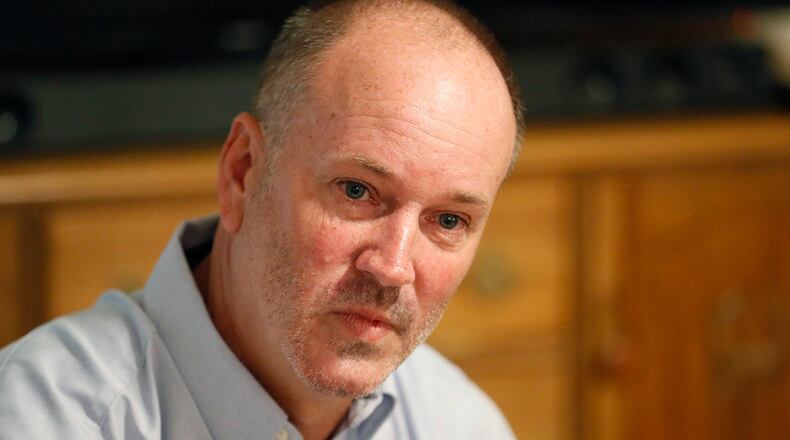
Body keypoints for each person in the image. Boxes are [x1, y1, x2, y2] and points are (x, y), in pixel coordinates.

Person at [0, 0, 525, 438]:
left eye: (449, 221)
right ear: (242, 172)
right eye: (356, 191)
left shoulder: (459, 423)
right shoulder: (43, 418)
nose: (393, 267)